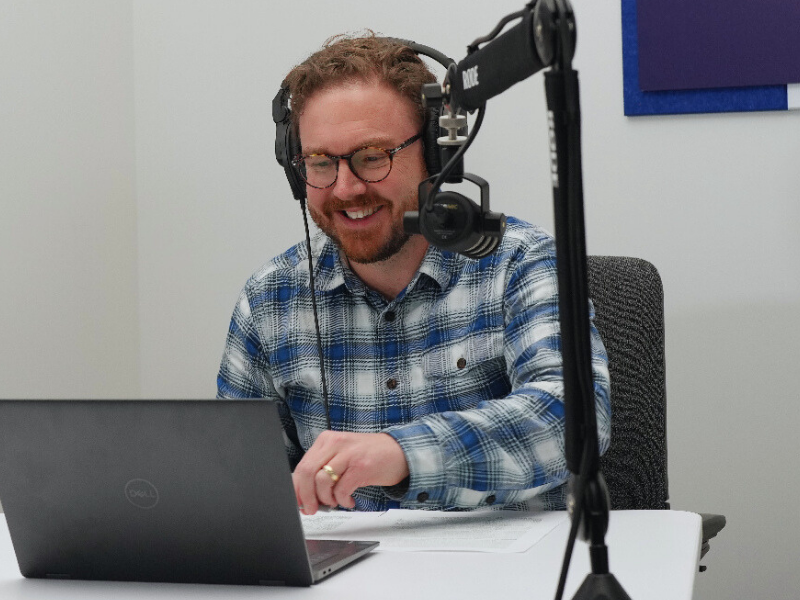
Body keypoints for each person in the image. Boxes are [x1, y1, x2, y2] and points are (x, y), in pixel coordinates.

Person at [217, 33, 611, 515]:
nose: (345, 188)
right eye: (320, 163)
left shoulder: (521, 263)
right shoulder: (268, 301)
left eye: (372, 157)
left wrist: (401, 454)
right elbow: (241, 488)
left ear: (436, 154)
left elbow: (571, 419)